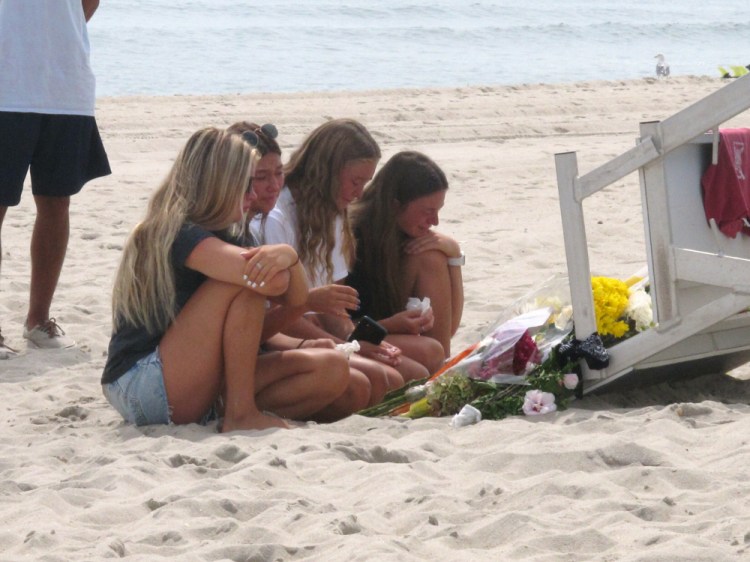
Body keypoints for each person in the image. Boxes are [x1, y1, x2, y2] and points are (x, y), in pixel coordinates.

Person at [101, 127, 349, 432]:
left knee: (332, 368)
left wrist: (291, 259)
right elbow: (273, 284)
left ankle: (233, 409)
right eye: (246, 185)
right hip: (142, 381)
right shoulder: (178, 232)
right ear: (219, 184)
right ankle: (240, 413)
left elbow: (294, 299)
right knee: (243, 283)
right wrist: (284, 254)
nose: (254, 195)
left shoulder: (229, 236)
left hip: (190, 382)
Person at [252, 118, 432, 404]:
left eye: (366, 183)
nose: (360, 193)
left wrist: (358, 339)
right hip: (283, 337)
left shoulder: (331, 213)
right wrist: (347, 347)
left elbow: (335, 309)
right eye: (356, 181)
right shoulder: (277, 219)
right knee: (393, 380)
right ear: (326, 172)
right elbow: (283, 318)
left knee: (424, 360)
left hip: (315, 332)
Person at [227, 120, 372, 419]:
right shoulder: (263, 224)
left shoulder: (257, 227)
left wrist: (337, 340)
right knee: (355, 378)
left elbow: (330, 310)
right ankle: (235, 409)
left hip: (266, 344)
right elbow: (253, 326)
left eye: (278, 174)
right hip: (228, 364)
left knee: (365, 377)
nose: (273, 186)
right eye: (261, 177)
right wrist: (309, 312)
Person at [0, 0, 111, 358]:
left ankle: (39, 321)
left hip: (65, 84)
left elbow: (87, 4)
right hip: (6, 84)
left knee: (56, 202)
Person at [348, 151, 464, 358]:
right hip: (351, 337)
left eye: (438, 211)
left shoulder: (407, 237)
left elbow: (449, 330)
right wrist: (390, 325)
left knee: (432, 256)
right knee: (430, 351)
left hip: (385, 330)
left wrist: (454, 255)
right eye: (427, 211)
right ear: (395, 204)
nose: (435, 221)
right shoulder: (353, 237)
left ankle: (439, 373)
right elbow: (337, 327)